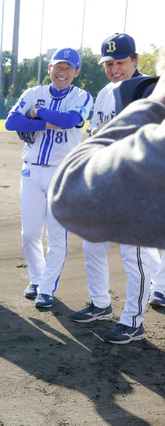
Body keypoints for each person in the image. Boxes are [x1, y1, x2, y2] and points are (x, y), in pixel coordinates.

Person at [50, 52, 165, 343]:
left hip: (139, 186)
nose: (114, 69)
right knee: (91, 247)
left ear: (135, 61)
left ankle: (133, 321)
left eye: (120, 63)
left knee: (134, 256)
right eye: (109, 64)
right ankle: (101, 304)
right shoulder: (104, 93)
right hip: (109, 182)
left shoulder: (149, 91)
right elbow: (93, 134)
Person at [4, 47, 92, 309]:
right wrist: (45, 121)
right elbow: (11, 122)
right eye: (57, 67)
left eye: (68, 68)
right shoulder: (34, 93)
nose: (61, 72)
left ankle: (47, 288)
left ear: (76, 72)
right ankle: (37, 278)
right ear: (50, 69)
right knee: (29, 233)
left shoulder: (83, 96)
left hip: (61, 173)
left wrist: (36, 114)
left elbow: (69, 120)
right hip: (31, 170)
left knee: (56, 236)